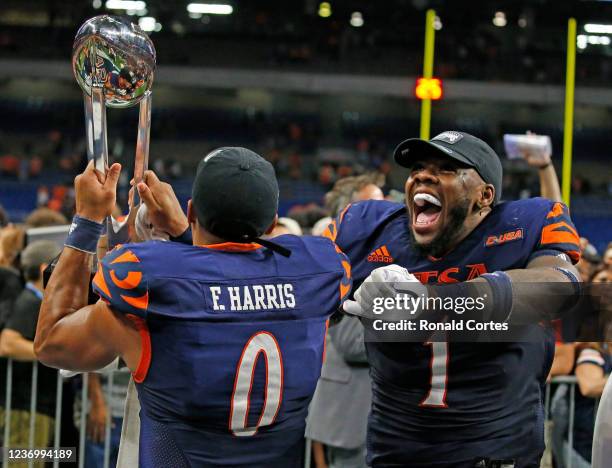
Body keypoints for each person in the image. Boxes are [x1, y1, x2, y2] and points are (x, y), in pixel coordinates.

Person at [34, 147, 351, 467]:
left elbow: (52, 342)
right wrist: (185, 234)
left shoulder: (152, 286)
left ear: (192, 210)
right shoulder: (315, 276)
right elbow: (233, 282)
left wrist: (87, 221)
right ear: (271, 224)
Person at [327, 131, 581, 467]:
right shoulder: (368, 229)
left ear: (484, 195)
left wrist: (433, 302)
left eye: (447, 168)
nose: (422, 175)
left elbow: (559, 286)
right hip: (397, 450)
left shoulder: (524, 223)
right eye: (418, 167)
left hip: (495, 451)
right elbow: (305, 285)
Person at [306, 174, 385, 468]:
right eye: (374, 208)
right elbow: (352, 343)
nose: (387, 215)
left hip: (375, 417)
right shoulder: (337, 261)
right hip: (351, 415)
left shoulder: (382, 257)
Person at [0, 240, 61, 467]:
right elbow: (8, 344)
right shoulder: (29, 301)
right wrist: (55, 355)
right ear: (46, 269)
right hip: (25, 410)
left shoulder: (34, 300)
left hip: (29, 407)